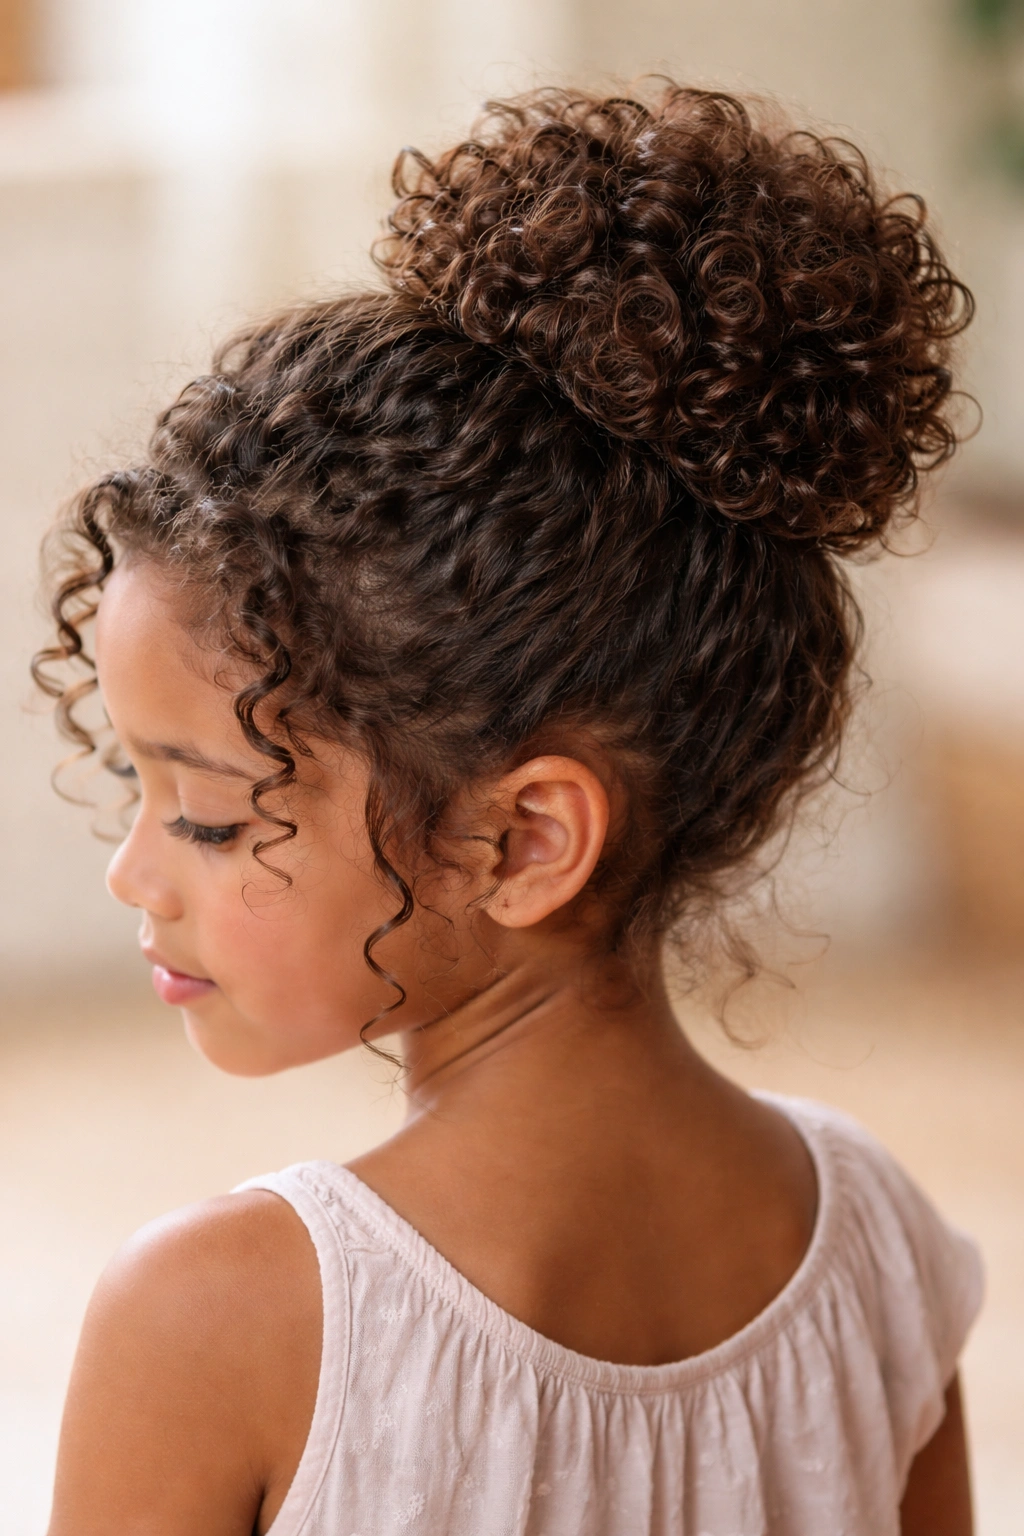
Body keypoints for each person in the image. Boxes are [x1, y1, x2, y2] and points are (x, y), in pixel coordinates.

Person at [35, 83, 982, 1536]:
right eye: (135, 788)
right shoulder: (883, 1257)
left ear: (525, 840)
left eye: (212, 819)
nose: (133, 874)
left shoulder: (217, 1323)